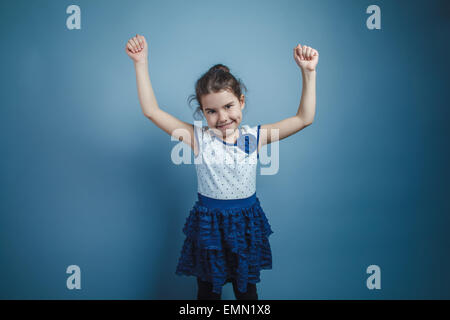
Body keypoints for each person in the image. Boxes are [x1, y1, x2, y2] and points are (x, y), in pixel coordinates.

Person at [125, 34, 319, 300]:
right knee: (207, 292)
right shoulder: (198, 138)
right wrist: (140, 62)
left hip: (245, 224)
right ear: (203, 113)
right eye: (211, 111)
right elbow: (151, 111)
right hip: (210, 225)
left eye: (228, 106)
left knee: (246, 292)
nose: (222, 117)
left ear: (241, 101)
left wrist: (308, 72)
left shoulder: (255, 137)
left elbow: (304, 118)